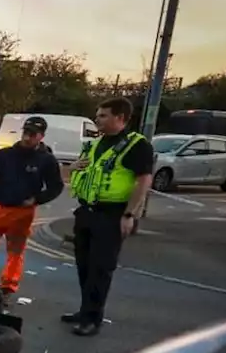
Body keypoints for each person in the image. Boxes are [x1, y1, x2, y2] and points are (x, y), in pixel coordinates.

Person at [61, 97, 155, 336]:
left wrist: (129, 214)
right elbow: (84, 170)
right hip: (86, 211)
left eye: (103, 115)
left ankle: (93, 318)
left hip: (111, 214)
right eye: (98, 114)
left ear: (120, 118)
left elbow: (143, 180)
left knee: (100, 269)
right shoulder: (96, 143)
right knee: (84, 265)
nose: (97, 119)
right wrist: (74, 167)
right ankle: (85, 310)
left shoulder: (136, 145)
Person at [0, 116, 64, 297]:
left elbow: (56, 186)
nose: (27, 137)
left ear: (41, 136)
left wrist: (37, 199)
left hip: (23, 212)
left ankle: (8, 287)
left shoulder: (46, 160)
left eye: (33, 134)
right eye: (26, 133)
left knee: (15, 252)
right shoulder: (6, 154)